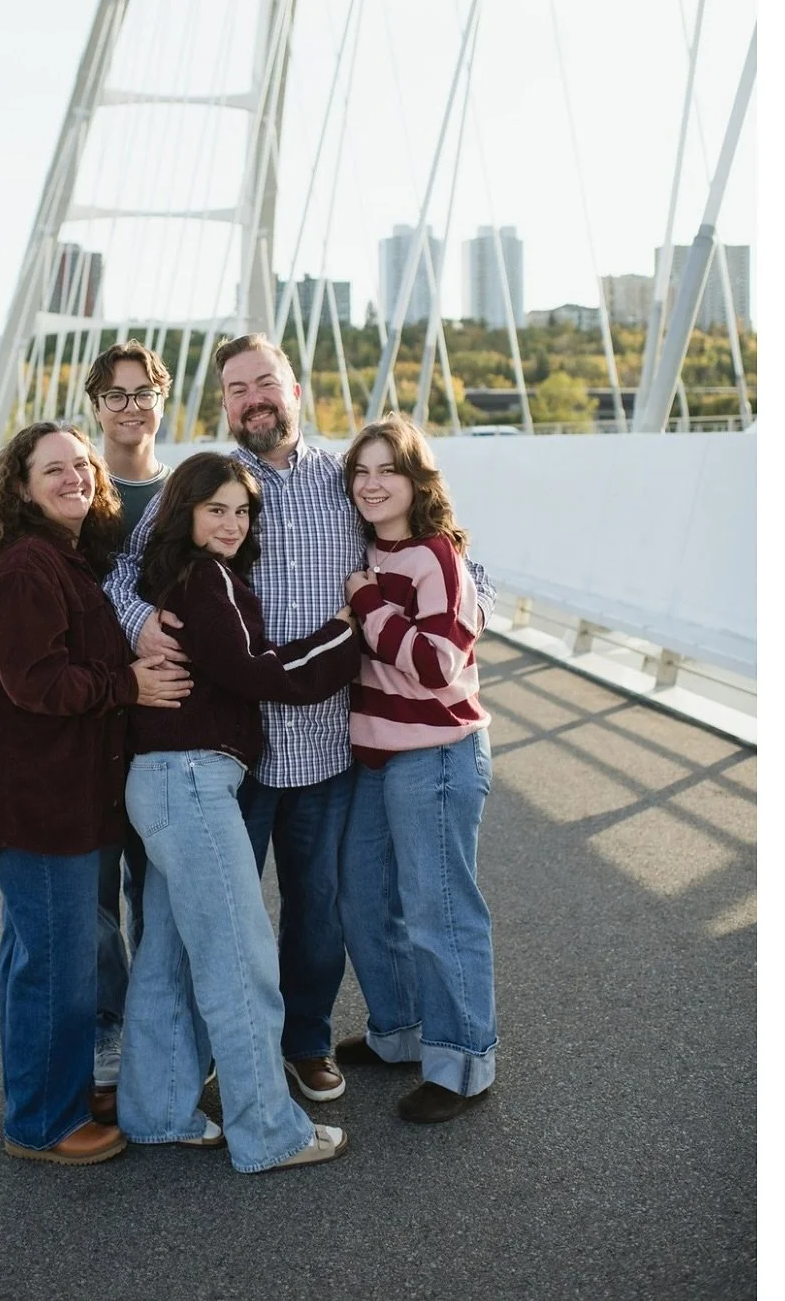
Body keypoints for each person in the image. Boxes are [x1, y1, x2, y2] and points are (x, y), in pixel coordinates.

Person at [105, 332, 496, 1103]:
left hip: (328, 745)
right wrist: (137, 622)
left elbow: (441, 552)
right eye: (235, 390)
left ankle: (305, 1041)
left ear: (294, 387)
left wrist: (464, 607)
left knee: (319, 914)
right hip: (234, 746)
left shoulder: (345, 479)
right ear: (225, 405)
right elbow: (127, 572)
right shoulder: (209, 482)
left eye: (264, 382)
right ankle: (215, 1051)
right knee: (214, 913)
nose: (252, 399)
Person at [0, 421, 190, 1166]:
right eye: (53, 469)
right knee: (56, 960)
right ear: (20, 486)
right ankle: (43, 1124)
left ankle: (43, 1094)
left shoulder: (66, 558)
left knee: (36, 951)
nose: (74, 478)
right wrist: (130, 684)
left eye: (83, 466)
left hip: (52, 785)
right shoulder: (27, 565)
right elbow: (36, 683)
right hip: (35, 791)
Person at [118, 452, 360, 1171]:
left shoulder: (176, 577)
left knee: (167, 957)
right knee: (240, 962)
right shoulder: (208, 579)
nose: (231, 522)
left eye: (241, 511)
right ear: (184, 512)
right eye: (215, 508)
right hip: (192, 783)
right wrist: (347, 628)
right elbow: (261, 673)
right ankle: (269, 1133)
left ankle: (156, 1112)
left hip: (163, 782)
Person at [334, 414, 497, 1124]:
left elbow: (435, 665)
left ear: (415, 480)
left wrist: (366, 601)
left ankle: (463, 1062)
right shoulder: (368, 553)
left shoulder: (434, 559)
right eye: (360, 473)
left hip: (435, 753)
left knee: (439, 910)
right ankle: (400, 1034)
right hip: (375, 755)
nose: (371, 485)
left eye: (386, 471)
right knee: (363, 900)